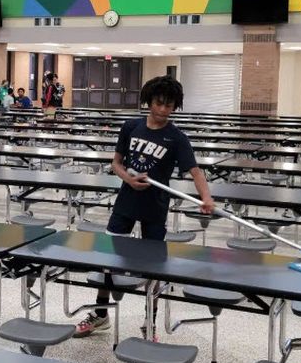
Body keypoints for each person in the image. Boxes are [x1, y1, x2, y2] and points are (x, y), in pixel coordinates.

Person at [73, 76, 215, 341]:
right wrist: (129, 179)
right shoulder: (131, 127)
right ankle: (100, 314)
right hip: (126, 202)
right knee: (109, 259)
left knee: (154, 267)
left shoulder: (177, 138)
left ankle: (149, 324)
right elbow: (116, 163)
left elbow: (195, 172)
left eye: (169, 106)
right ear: (149, 101)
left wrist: (206, 197)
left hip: (156, 207)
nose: (163, 110)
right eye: (159, 104)